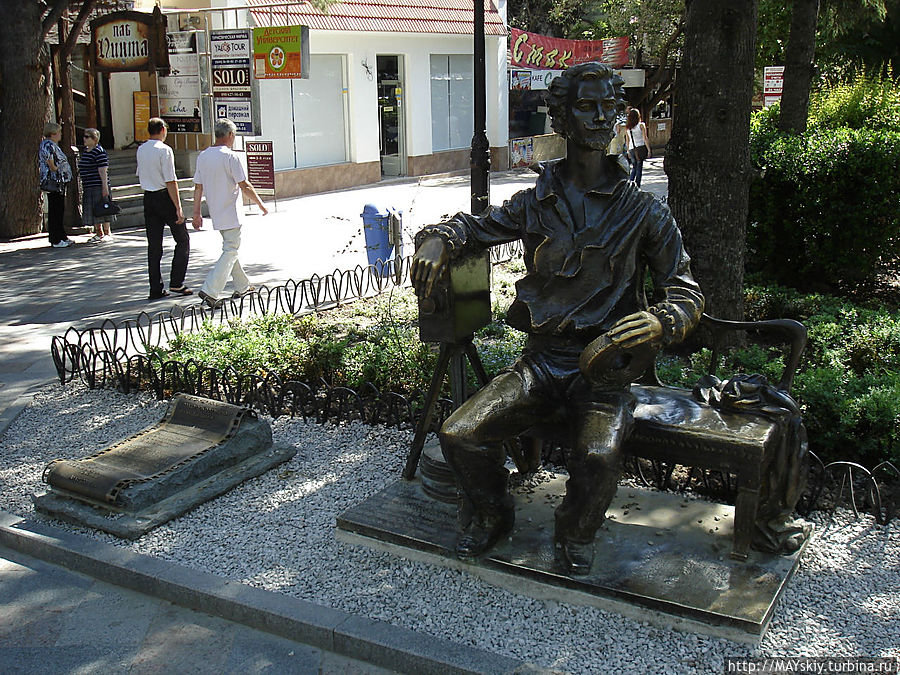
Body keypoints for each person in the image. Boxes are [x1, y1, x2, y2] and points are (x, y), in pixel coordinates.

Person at [410, 62, 704, 575]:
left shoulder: (645, 214)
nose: (599, 117)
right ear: (562, 119)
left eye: (607, 106)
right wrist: (437, 239)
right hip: (542, 364)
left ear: (619, 115)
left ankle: (575, 531)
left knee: (596, 454)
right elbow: (473, 229)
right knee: (459, 433)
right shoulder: (534, 203)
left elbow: (685, 290)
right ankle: (493, 514)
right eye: (584, 106)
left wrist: (662, 320)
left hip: (605, 371)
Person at [191, 118, 268, 309]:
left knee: (230, 249)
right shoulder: (230, 157)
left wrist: (196, 213)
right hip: (232, 213)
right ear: (231, 135)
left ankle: (242, 286)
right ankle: (210, 290)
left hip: (216, 212)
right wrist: (260, 204)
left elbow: (198, 188)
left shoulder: (203, 156)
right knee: (231, 249)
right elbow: (244, 185)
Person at [137, 117, 191, 300]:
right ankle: (176, 282)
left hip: (149, 197)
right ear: (161, 129)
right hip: (164, 196)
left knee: (154, 245)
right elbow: (170, 180)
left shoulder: (141, 149)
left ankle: (155, 287)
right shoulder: (165, 150)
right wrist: (178, 207)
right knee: (182, 239)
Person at [39, 122, 74, 248]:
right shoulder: (48, 145)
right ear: (53, 134)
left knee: (59, 209)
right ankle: (56, 239)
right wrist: (57, 168)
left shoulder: (53, 145)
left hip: (59, 181)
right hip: (53, 181)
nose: (60, 135)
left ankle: (62, 235)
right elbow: (51, 163)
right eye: (59, 132)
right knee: (55, 210)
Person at [79, 128, 114, 244]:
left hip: (98, 185)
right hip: (89, 186)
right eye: (84, 136)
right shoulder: (86, 151)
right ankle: (98, 232)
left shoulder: (99, 151)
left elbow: (103, 171)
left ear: (94, 139)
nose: (84, 139)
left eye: (87, 137)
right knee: (94, 210)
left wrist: (105, 187)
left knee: (103, 208)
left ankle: (107, 232)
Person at [624, 108, 651, 186]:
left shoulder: (628, 127)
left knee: (634, 167)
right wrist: (649, 149)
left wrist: (628, 150)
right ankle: (637, 185)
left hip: (632, 149)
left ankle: (630, 184)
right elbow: (645, 138)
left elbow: (627, 140)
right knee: (639, 168)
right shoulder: (641, 125)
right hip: (640, 148)